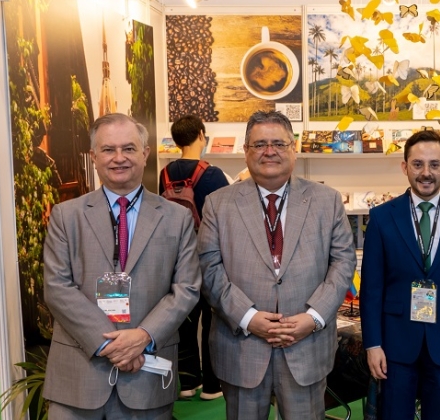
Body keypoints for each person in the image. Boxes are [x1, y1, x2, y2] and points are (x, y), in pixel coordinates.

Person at [198, 110, 356, 419]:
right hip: (241, 347)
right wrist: (248, 317)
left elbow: (343, 261)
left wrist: (313, 317)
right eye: (259, 144)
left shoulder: (327, 200)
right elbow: (208, 268)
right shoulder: (218, 204)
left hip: (306, 346)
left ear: (293, 149)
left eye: (278, 143)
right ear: (246, 151)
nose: (269, 151)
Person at [42, 113, 201, 419]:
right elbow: (57, 287)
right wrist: (112, 345)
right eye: (108, 149)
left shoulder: (176, 217)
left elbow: (187, 288)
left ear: (145, 154)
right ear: (94, 157)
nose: (119, 158)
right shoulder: (67, 216)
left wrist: (142, 337)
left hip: (147, 374)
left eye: (128, 149)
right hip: (78, 374)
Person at [360, 130, 440, 420]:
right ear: (404, 167)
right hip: (395, 344)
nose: (426, 173)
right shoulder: (381, 218)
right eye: (417, 164)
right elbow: (372, 288)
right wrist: (373, 344)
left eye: (434, 164)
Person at [159, 114, 229, 401]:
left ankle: (187, 382)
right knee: (214, 322)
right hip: (209, 256)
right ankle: (213, 386)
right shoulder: (211, 174)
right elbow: (228, 215)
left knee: (185, 319)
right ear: (201, 134)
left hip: (176, 258)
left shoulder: (164, 173)